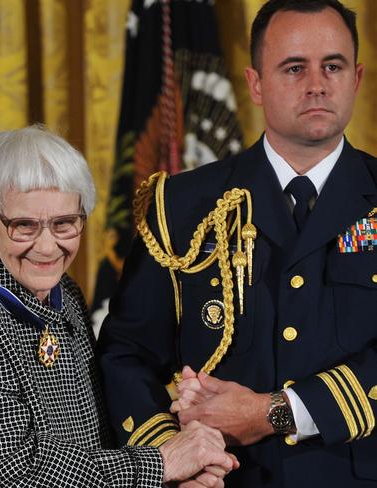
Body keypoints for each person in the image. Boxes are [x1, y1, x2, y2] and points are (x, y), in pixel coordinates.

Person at [98, 0, 377, 487]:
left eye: (332, 65)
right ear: (255, 84)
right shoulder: (179, 205)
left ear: (356, 78)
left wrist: (276, 412)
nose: (316, 84)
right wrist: (173, 453)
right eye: (294, 68)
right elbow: (126, 354)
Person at [0, 125, 238, 487]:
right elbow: (16, 474)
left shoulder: (65, 294)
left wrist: (181, 469)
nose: (47, 247)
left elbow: (93, 438)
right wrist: (161, 463)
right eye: (24, 226)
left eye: (64, 224)